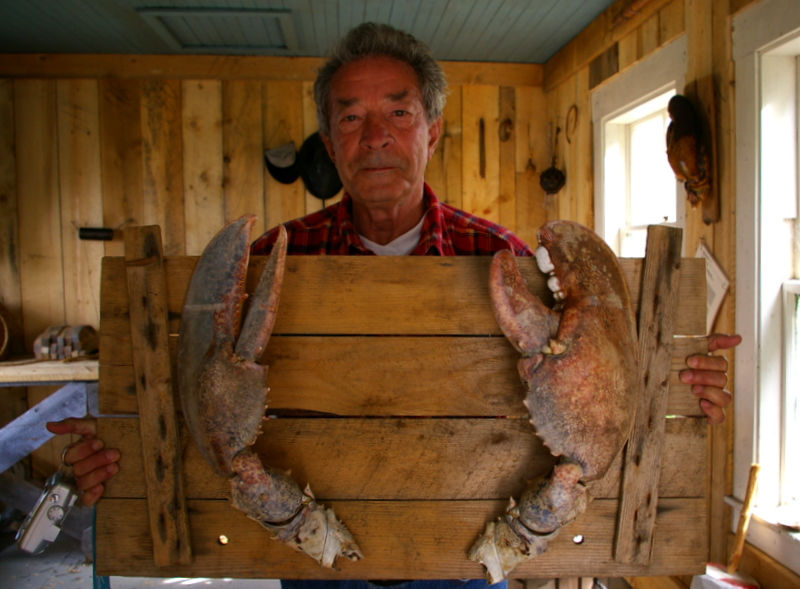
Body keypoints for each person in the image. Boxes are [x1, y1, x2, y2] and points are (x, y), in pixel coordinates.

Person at [47, 21, 741, 588]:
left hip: (470, 563)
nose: (374, 135)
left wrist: (674, 392)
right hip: (309, 563)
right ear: (329, 140)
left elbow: (604, 408)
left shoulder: (505, 260)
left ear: (432, 131)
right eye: (350, 116)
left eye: (398, 113)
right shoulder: (268, 266)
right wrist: (122, 446)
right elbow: (180, 403)